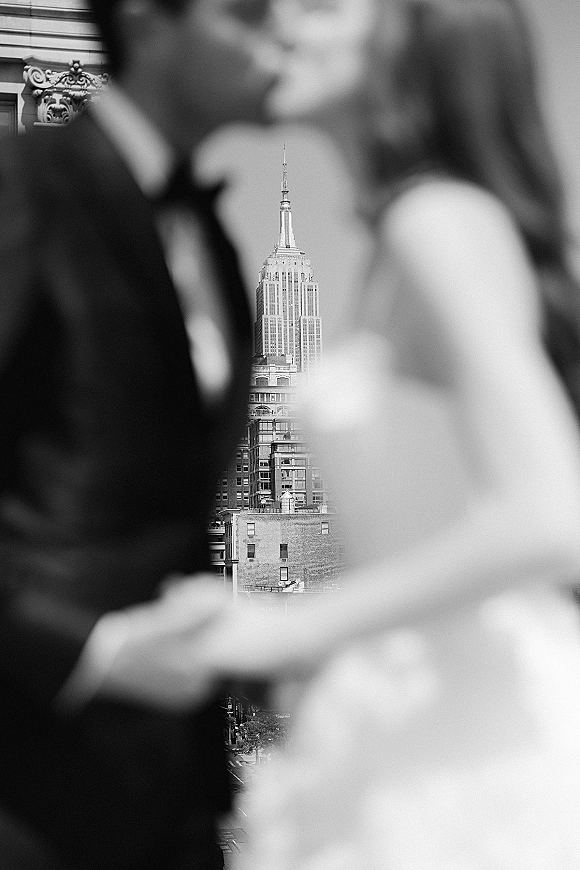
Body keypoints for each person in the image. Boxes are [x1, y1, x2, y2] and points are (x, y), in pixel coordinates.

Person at [194, 0, 580, 867]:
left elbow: (552, 519)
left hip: (470, 738)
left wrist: (280, 631)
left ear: (417, 41)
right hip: (425, 714)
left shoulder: (432, 220)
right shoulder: (412, 236)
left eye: (325, 6)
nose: (283, 23)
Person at [0, 1, 278, 868]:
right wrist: (80, 648)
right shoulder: (21, 172)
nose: (279, 39)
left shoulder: (214, 243)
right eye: (246, 14)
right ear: (149, 24)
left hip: (165, 781)